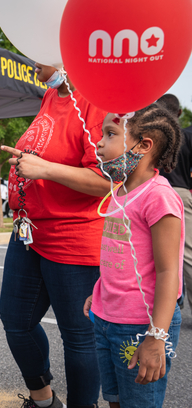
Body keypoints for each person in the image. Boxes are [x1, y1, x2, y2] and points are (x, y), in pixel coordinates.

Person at [0, 63, 110, 408]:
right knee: (16, 322)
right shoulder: (51, 95)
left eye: (38, 56)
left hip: (72, 236)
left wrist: (43, 167)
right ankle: (43, 399)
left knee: (78, 339)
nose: (33, 64)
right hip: (29, 231)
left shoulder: (95, 101)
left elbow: (107, 180)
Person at [84, 105, 183, 407]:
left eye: (110, 134)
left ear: (144, 145)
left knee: (139, 403)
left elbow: (169, 273)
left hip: (141, 326)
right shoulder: (120, 190)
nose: (98, 143)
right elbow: (123, 254)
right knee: (114, 399)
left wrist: (156, 336)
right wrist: (99, 293)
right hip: (105, 318)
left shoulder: (159, 197)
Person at [157, 94, 192, 314]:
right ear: (178, 113)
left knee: (157, 254)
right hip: (180, 192)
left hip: (150, 190)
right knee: (185, 254)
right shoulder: (185, 135)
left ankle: (170, 303)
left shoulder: (151, 132)